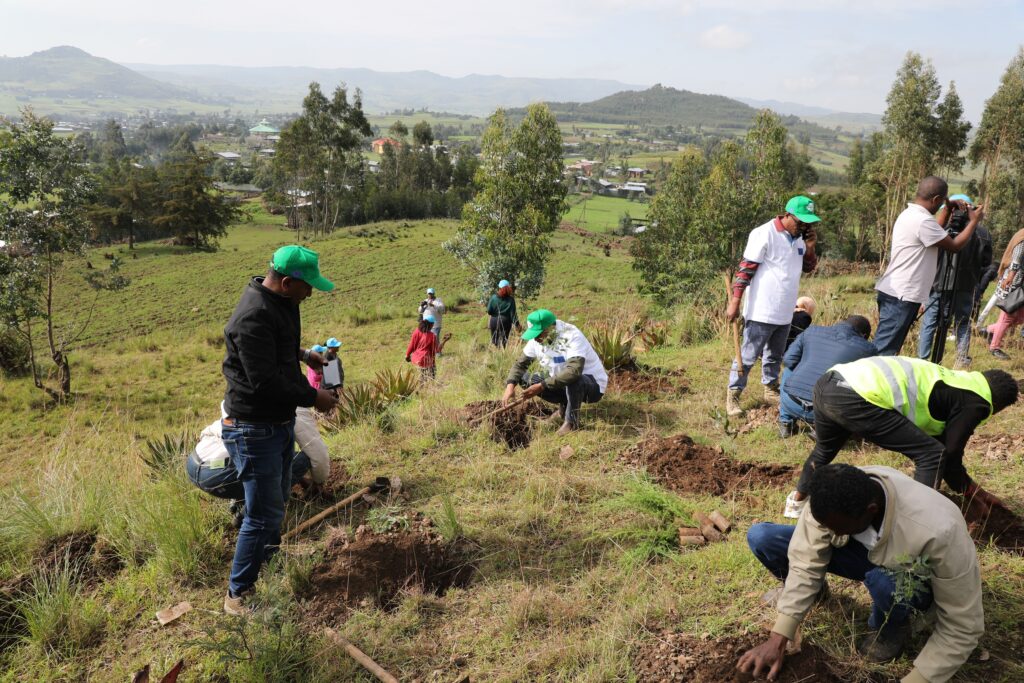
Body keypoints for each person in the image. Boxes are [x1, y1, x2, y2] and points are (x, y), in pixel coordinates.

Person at [739, 464, 983, 683]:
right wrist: (780, 636)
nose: (827, 530)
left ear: (871, 510)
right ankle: (814, 595)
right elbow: (805, 561)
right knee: (764, 538)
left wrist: (919, 679)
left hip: (913, 578)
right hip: (865, 554)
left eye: (836, 528)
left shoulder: (939, 531)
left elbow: (963, 624)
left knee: (884, 583)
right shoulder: (831, 498)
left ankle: (891, 628)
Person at [220, 245, 339, 616]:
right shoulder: (252, 317)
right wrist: (312, 397)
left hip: (277, 422)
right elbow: (265, 380)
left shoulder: (279, 302)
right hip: (254, 428)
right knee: (261, 515)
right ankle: (238, 596)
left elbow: (277, 348)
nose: (311, 294)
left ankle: (267, 563)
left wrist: (305, 356)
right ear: (287, 283)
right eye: (308, 288)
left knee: (276, 504)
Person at [785, 356, 1018, 522]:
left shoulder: (957, 383)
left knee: (824, 449)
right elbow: (948, 454)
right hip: (857, 394)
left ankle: (796, 503)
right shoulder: (977, 401)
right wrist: (975, 493)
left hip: (829, 382)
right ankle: (913, 526)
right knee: (930, 454)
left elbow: (947, 456)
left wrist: (970, 490)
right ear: (996, 407)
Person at [725, 196, 819, 417]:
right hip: (762, 309)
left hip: (785, 311)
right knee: (747, 356)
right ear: (787, 215)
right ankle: (733, 394)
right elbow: (745, 270)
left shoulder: (799, 240)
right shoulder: (764, 233)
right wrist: (735, 301)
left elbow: (808, 268)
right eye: (800, 222)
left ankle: (770, 389)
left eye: (808, 223)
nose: (804, 227)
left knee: (775, 356)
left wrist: (810, 248)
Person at [874, 177, 984, 356]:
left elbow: (936, 232)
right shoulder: (922, 221)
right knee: (884, 350)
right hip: (902, 295)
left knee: (889, 347)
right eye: (942, 201)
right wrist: (973, 222)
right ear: (935, 200)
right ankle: (871, 382)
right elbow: (954, 246)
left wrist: (947, 208)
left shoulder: (911, 215)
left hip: (897, 293)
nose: (942, 204)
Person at [186, 405, 332, 522]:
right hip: (220, 474)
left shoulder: (252, 392)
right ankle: (249, 513)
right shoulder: (295, 407)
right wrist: (318, 482)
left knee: (258, 455)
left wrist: (300, 479)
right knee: (302, 459)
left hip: (195, 463)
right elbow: (317, 454)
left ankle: (238, 500)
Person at [502, 309, 608, 435]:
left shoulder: (571, 335)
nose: (535, 339)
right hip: (562, 383)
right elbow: (520, 366)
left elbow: (574, 371)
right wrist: (510, 387)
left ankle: (571, 422)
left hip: (592, 385)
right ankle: (563, 408)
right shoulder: (536, 340)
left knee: (574, 379)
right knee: (525, 378)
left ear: (550, 328)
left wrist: (542, 386)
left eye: (538, 334)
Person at [917, 194, 992, 367]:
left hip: (937, 284)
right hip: (965, 286)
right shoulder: (982, 233)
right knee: (962, 322)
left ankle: (922, 361)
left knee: (930, 321)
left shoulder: (942, 228)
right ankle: (962, 360)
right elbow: (987, 263)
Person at [777, 315, 875, 442]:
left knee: (789, 370)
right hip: (827, 412)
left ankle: (785, 423)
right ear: (864, 335)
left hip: (791, 403)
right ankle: (823, 429)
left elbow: (788, 360)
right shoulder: (868, 349)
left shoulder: (811, 331)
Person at [986, 227, 1024, 360]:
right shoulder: (1023, 236)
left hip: (1020, 284)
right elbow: (1017, 258)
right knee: (1008, 316)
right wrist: (1011, 277)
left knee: (1019, 318)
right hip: (1013, 282)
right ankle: (994, 347)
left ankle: (989, 330)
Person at [406, 313, 448, 380]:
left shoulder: (416, 331)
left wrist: (407, 355)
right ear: (431, 325)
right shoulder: (432, 336)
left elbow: (411, 345)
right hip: (426, 361)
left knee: (420, 379)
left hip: (415, 359)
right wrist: (444, 341)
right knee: (430, 379)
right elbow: (437, 350)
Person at [486, 280, 520, 348]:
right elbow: (513, 315)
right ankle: (502, 355)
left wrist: (494, 314)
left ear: (499, 287)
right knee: (503, 341)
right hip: (506, 322)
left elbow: (489, 311)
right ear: (508, 288)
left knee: (495, 341)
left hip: (494, 320)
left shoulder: (493, 297)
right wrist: (517, 325)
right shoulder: (511, 300)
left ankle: (495, 354)